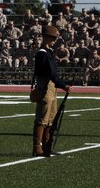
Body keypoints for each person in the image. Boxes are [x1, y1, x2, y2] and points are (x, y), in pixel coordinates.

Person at [30, 26, 72, 157]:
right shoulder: (42, 53)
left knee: (51, 118)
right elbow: (50, 73)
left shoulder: (48, 52)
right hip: (46, 86)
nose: (54, 40)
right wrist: (63, 85)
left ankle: (46, 146)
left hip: (52, 87)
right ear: (46, 37)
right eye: (53, 37)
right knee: (42, 118)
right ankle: (37, 147)